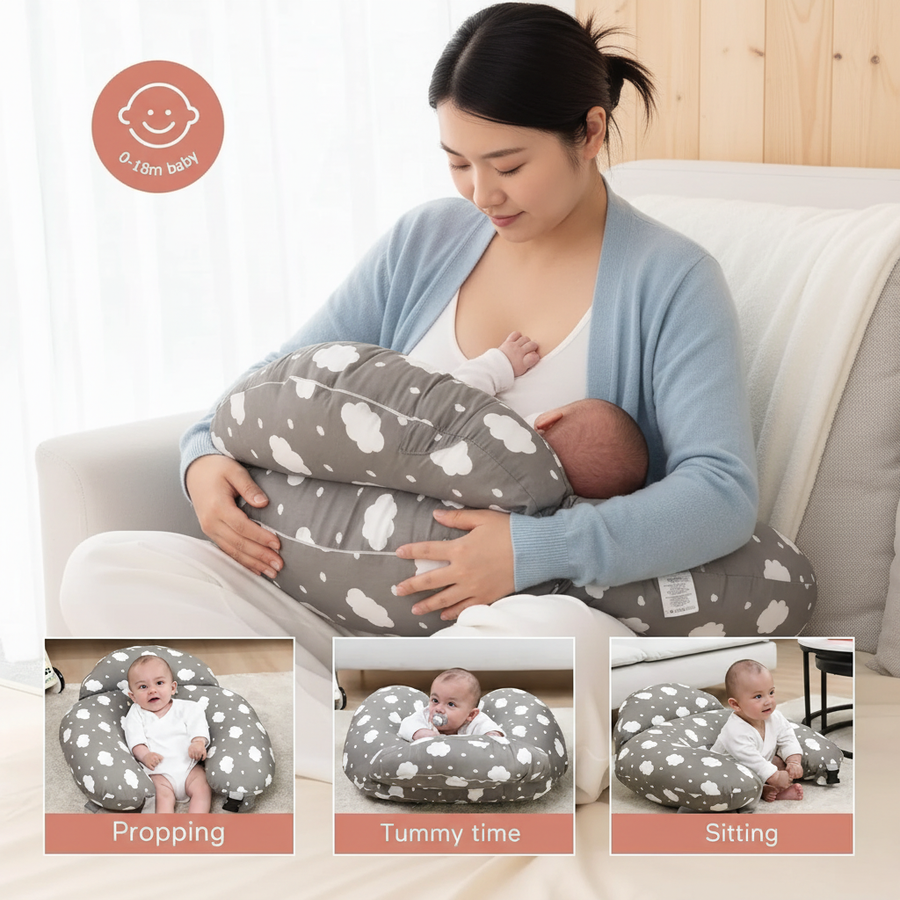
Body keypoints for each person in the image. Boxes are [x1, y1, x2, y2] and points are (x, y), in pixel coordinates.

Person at [61, 3, 757, 802]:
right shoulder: (425, 242)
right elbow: (279, 380)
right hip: (337, 607)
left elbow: (721, 492)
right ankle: (370, 749)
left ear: (590, 132)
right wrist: (201, 458)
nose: (481, 191)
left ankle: (343, 744)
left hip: (504, 622)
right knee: (104, 568)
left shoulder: (672, 280)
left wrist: (536, 552)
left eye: (508, 163)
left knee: (548, 633)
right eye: (456, 161)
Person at [451, 329, 648, 499]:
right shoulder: (521, 495)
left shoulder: (506, 435)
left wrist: (502, 363)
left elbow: (456, 397)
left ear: (547, 421)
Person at [122, 655, 213, 814]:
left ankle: (196, 823)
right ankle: (164, 828)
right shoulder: (136, 714)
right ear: (133, 696)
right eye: (143, 687)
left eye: (159, 683)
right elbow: (135, 741)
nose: (152, 690)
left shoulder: (187, 708)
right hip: (159, 773)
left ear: (172, 688)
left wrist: (198, 742)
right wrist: (145, 756)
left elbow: (198, 725)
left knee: (203, 788)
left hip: (189, 767)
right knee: (161, 796)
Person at [710, 659, 804, 802]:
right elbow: (753, 762)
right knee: (738, 782)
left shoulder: (774, 717)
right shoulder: (735, 731)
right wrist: (775, 777)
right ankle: (762, 789)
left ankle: (770, 788)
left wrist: (794, 761)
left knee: (779, 761)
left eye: (771, 692)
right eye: (758, 696)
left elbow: (788, 737)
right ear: (736, 704)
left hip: (759, 764)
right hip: (730, 771)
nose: (768, 701)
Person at [397, 668, 505, 741]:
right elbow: (407, 725)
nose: (438, 708)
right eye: (435, 700)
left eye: (450, 704)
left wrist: (492, 735)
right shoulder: (425, 715)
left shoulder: (476, 721)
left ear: (470, 715)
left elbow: (492, 732)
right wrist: (421, 733)